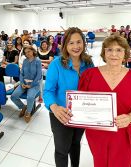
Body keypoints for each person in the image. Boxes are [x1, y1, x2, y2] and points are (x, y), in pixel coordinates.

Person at [78, 35, 131, 167]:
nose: (114, 54)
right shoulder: (89, 75)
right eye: (109, 50)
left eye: (119, 50)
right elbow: (82, 104)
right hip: (97, 133)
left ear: (125, 54)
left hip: (124, 132)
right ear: (104, 53)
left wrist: (130, 117)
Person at [43, 27, 94, 167]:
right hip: (61, 113)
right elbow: (47, 91)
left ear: (84, 43)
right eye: (71, 43)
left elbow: (94, 88)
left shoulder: (89, 64)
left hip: (82, 114)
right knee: (62, 150)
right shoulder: (56, 64)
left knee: (76, 143)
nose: (76, 46)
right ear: (65, 45)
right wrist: (54, 107)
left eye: (79, 42)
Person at [11, 45, 42, 123]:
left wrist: (31, 85)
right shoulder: (25, 61)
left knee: (30, 97)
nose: (27, 54)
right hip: (24, 83)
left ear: (33, 51)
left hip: (34, 84)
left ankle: (28, 112)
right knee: (13, 96)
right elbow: (21, 73)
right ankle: (23, 107)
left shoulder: (37, 60)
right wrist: (21, 83)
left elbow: (39, 75)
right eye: (25, 52)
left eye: (29, 51)